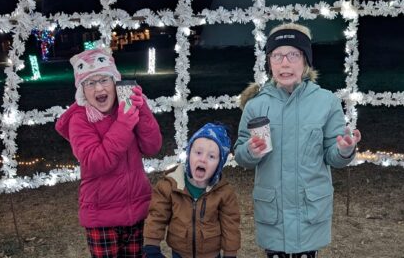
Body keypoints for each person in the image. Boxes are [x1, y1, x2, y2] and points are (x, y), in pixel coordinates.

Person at [234, 23, 362, 258]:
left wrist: (344, 149)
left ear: (305, 62)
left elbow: (332, 156)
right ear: (269, 61)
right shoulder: (256, 105)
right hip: (274, 213)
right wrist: (251, 151)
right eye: (278, 55)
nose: (285, 63)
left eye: (293, 55)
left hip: (309, 211)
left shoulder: (326, 102)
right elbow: (241, 155)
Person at [55, 45, 162, 258]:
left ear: (116, 83)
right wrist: (123, 125)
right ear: (82, 90)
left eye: (104, 80)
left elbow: (152, 147)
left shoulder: (127, 108)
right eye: (90, 83)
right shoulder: (80, 119)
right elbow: (95, 162)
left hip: (137, 210)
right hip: (102, 217)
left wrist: (142, 110)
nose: (99, 89)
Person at [143, 122, 241, 258]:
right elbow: (157, 216)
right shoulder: (171, 185)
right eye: (198, 152)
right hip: (180, 252)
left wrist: (230, 254)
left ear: (219, 164)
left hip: (211, 254)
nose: (203, 159)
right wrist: (151, 246)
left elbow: (230, 226)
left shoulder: (224, 192)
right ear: (189, 154)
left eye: (211, 156)